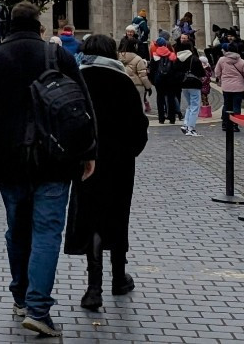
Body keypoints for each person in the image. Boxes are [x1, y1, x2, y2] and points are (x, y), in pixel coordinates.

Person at [0, 2, 97, 337]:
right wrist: (89, 152)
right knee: (48, 231)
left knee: (17, 229)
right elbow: (83, 105)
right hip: (56, 158)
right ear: (39, 25)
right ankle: (38, 308)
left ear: (7, 26)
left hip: (9, 158)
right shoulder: (58, 56)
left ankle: (21, 297)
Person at [66, 33, 146, 312]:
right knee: (118, 214)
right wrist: (130, 151)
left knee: (92, 218)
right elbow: (139, 125)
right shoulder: (122, 80)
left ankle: (93, 286)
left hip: (87, 160)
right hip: (120, 161)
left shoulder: (79, 78)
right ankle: (118, 277)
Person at [212, 40, 244, 133]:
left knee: (226, 104)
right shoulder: (241, 61)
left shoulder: (222, 60)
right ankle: (235, 125)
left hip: (226, 86)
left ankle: (225, 124)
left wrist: (221, 78)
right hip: (238, 87)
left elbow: (217, 72)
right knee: (236, 106)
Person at [172, 35, 208, 136]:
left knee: (190, 105)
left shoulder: (178, 59)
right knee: (195, 106)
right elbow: (202, 73)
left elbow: (175, 71)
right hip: (194, 84)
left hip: (183, 84)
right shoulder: (194, 59)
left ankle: (185, 124)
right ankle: (190, 128)